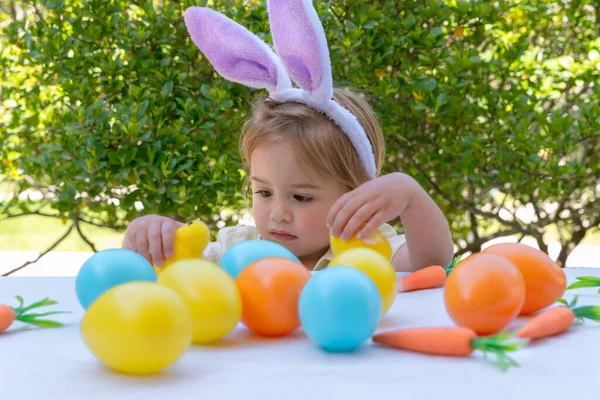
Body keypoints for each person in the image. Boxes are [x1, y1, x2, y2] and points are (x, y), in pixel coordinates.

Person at [123, 1, 454, 273]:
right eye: (264, 191)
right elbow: (156, 272)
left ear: (357, 194)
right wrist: (148, 237)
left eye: (302, 197)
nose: (277, 213)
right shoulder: (237, 250)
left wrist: (410, 195)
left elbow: (431, 262)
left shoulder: (369, 250)